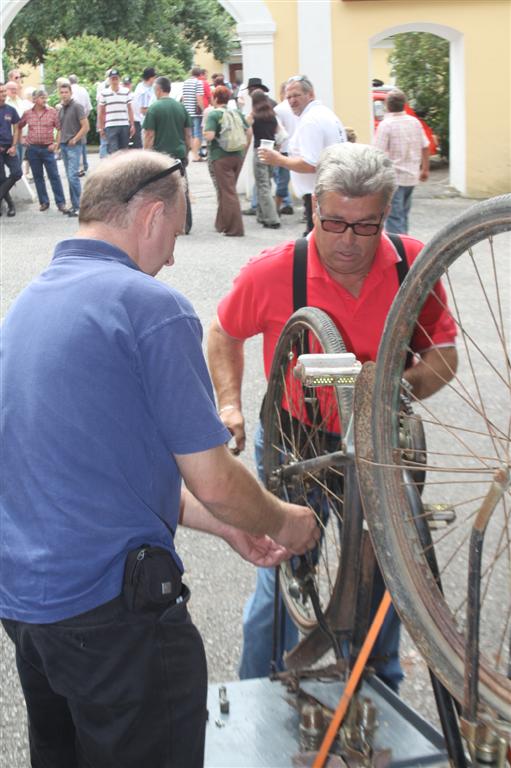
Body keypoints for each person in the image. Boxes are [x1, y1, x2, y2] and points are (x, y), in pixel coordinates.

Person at [0, 149, 320, 768]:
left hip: (33, 612)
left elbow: (98, 472)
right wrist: (283, 521)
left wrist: (225, 526)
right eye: (175, 232)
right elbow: (215, 477)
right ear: (149, 216)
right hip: (113, 619)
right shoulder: (149, 307)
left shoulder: (29, 303)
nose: (174, 255)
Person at [207, 142, 458, 688]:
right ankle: (256, 693)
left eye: (365, 227)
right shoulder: (274, 272)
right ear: (314, 208)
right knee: (280, 584)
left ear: (386, 212)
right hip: (296, 441)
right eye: (334, 222)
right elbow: (223, 333)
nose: (347, 242)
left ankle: (376, 692)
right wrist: (229, 402)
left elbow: (444, 355)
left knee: (387, 576)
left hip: (378, 445)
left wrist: (392, 387)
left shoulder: (413, 265)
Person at [258, 75, 346, 235]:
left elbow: (310, 164)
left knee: (317, 244)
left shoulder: (310, 121)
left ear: (310, 94)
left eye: (296, 95)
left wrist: (278, 159)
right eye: (288, 97)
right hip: (331, 190)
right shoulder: (323, 113)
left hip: (319, 194)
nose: (292, 101)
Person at [373, 88, 430, 234]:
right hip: (411, 177)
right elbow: (425, 146)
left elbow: (377, 153)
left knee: (394, 219)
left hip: (394, 178)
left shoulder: (386, 125)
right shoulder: (415, 123)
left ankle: (400, 250)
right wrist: (425, 169)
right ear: (404, 104)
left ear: (387, 105)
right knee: (403, 215)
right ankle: (406, 246)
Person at [143, 75, 192, 233]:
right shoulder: (180, 107)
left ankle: (166, 225)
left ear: (158, 89)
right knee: (182, 189)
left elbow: (149, 135)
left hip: (160, 156)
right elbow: (188, 134)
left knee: (161, 191)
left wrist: (146, 155)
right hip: (179, 153)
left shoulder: (154, 108)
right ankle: (186, 224)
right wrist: (187, 151)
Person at [204, 85, 250, 237]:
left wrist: (205, 133)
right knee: (227, 190)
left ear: (215, 98)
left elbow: (210, 136)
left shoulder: (213, 114)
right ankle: (222, 223)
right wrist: (244, 149)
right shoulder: (236, 112)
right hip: (238, 155)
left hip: (221, 156)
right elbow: (248, 130)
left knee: (228, 192)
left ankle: (235, 229)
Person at [18, 88, 68, 212]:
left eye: (45, 97)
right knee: (38, 177)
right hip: (33, 149)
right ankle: (44, 202)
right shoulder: (27, 113)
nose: (44, 100)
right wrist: (21, 139)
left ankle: (60, 203)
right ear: (35, 99)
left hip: (48, 148)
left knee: (54, 176)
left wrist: (56, 144)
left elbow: (59, 128)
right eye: (42, 97)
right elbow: (18, 126)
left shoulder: (52, 112)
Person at [249, 89, 280, 229]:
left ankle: (272, 218)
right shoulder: (272, 115)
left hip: (259, 150)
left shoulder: (255, 116)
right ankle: (262, 215)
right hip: (271, 150)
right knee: (266, 182)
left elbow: (247, 129)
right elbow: (278, 132)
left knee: (262, 185)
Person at [58, 82, 90, 216]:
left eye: (66, 92)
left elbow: (86, 126)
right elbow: (60, 128)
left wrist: (75, 139)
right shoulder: (61, 108)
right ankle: (75, 205)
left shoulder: (77, 106)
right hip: (64, 145)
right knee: (69, 176)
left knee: (73, 176)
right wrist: (58, 144)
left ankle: (82, 206)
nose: (64, 94)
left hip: (74, 145)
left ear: (71, 93)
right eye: (62, 92)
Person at [273, 81, 298, 215]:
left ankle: (277, 207)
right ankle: (307, 210)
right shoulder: (302, 108)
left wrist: (276, 148)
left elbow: (278, 132)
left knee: (282, 181)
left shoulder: (279, 109)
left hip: (285, 149)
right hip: (299, 149)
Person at [97, 68, 135, 154]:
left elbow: (130, 109)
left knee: (124, 151)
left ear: (119, 79)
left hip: (124, 125)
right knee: (113, 151)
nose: (114, 81)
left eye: (116, 78)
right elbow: (101, 112)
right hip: (110, 125)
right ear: (109, 80)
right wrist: (101, 127)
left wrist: (132, 124)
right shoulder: (104, 93)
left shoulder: (126, 92)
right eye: (112, 79)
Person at [0, 82, 21, 217]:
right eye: (0, 92)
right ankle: (11, 206)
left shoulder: (10, 110)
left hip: (9, 148)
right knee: (1, 178)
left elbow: (16, 128)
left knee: (17, 172)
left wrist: (14, 145)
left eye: (3, 91)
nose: (2, 94)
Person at [69, 74, 92, 176]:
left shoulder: (70, 91)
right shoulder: (83, 90)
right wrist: (84, 117)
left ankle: (78, 166)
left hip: (72, 120)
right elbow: (89, 107)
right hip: (83, 118)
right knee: (82, 143)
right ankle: (84, 165)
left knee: (75, 142)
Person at [181, 66, 204, 162]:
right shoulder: (198, 83)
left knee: (189, 134)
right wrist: (203, 109)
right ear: (200, 74)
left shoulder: (185, 82)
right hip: (195, 112)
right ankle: (195, 155)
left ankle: (189, 154)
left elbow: (183, 97)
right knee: (197, 134)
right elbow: (198, 97)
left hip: (187, 112)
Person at [133, 67, 157, 149]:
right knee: (148, 147)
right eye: (154, 77)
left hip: (152, 123)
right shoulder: (143, 90)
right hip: (146, 123)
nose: (155, 79)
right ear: (150, 78)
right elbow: (143, 110)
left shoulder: (151, 88)